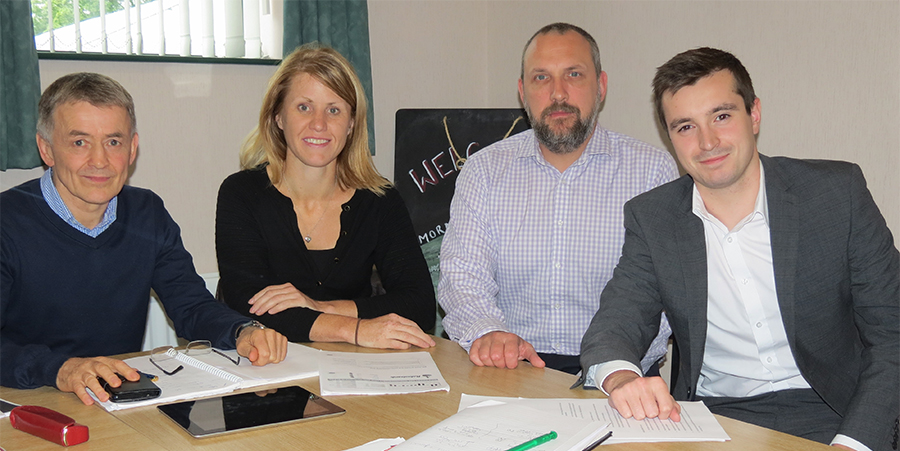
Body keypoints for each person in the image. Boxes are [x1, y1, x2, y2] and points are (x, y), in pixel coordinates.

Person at [580, 47, 899, 451]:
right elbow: (614, 325)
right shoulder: (653, 218)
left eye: (722, 116)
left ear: (755, 114)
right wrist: (623, 378)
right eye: (685, 127)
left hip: (836, 412)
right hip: (715, 422)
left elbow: (893, 334)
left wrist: (852, 449)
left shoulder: (837, 194)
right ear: (669, 137)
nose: (707, 141)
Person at [0, 72, 288, 406]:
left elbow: (191, 305)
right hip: (27, 401)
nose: (99, 161)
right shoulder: (7, 222)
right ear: (47, 149)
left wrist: (244, 332)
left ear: (133, 148)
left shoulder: (146, 212)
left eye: (113, 142)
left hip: (120, 399)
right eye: (80, 142)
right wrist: (60, 369)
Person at [438, 23, 678, 375]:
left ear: (601, 86)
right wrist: (488, 333)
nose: (558, 93)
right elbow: (462, 276)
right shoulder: (483, 171)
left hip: (620, 374)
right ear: (523, 91)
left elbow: (665, 297)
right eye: (541, 78)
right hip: (509, 369)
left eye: (574, 74)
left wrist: (614, 364)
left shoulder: (652, 173)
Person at [216, 44, 436, 350]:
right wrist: (356, 330)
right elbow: (251, 307)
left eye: (333, 110)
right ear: (278, 117)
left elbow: (421, 306)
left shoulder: (380, 200)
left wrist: (319, 306)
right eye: (304, 107)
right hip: (268, 380)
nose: (319, 123)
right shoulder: (241, 194)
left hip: (357, 377)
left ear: (351, 124)